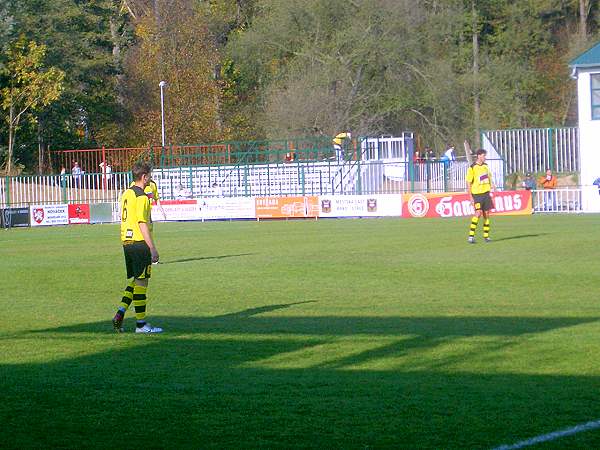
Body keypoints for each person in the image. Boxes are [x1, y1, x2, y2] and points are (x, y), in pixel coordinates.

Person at [112, 161, 162, 333]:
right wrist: (153, 248)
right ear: (144, 176)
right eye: (150, 176)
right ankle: (141, 324)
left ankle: (121, 311)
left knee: (137, 280)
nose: (150, 179)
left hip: (126, 241)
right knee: (143, 282)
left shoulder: (126, 193)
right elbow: (142, 223)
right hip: (139, 242)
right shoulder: (142, 197)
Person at [466, 149, 495, 244]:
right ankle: (471, 236)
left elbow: (489, 177)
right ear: (478, 156)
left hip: (486, 194)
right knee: (478, 213)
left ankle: (486, 236)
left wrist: (493, 185)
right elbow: (468, 182)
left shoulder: (486, 166)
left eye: (485, 156)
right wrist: (470, 196)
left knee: (486, 214)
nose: (485, 157)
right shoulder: (472, 167)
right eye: (483, 155)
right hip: (477, 195)